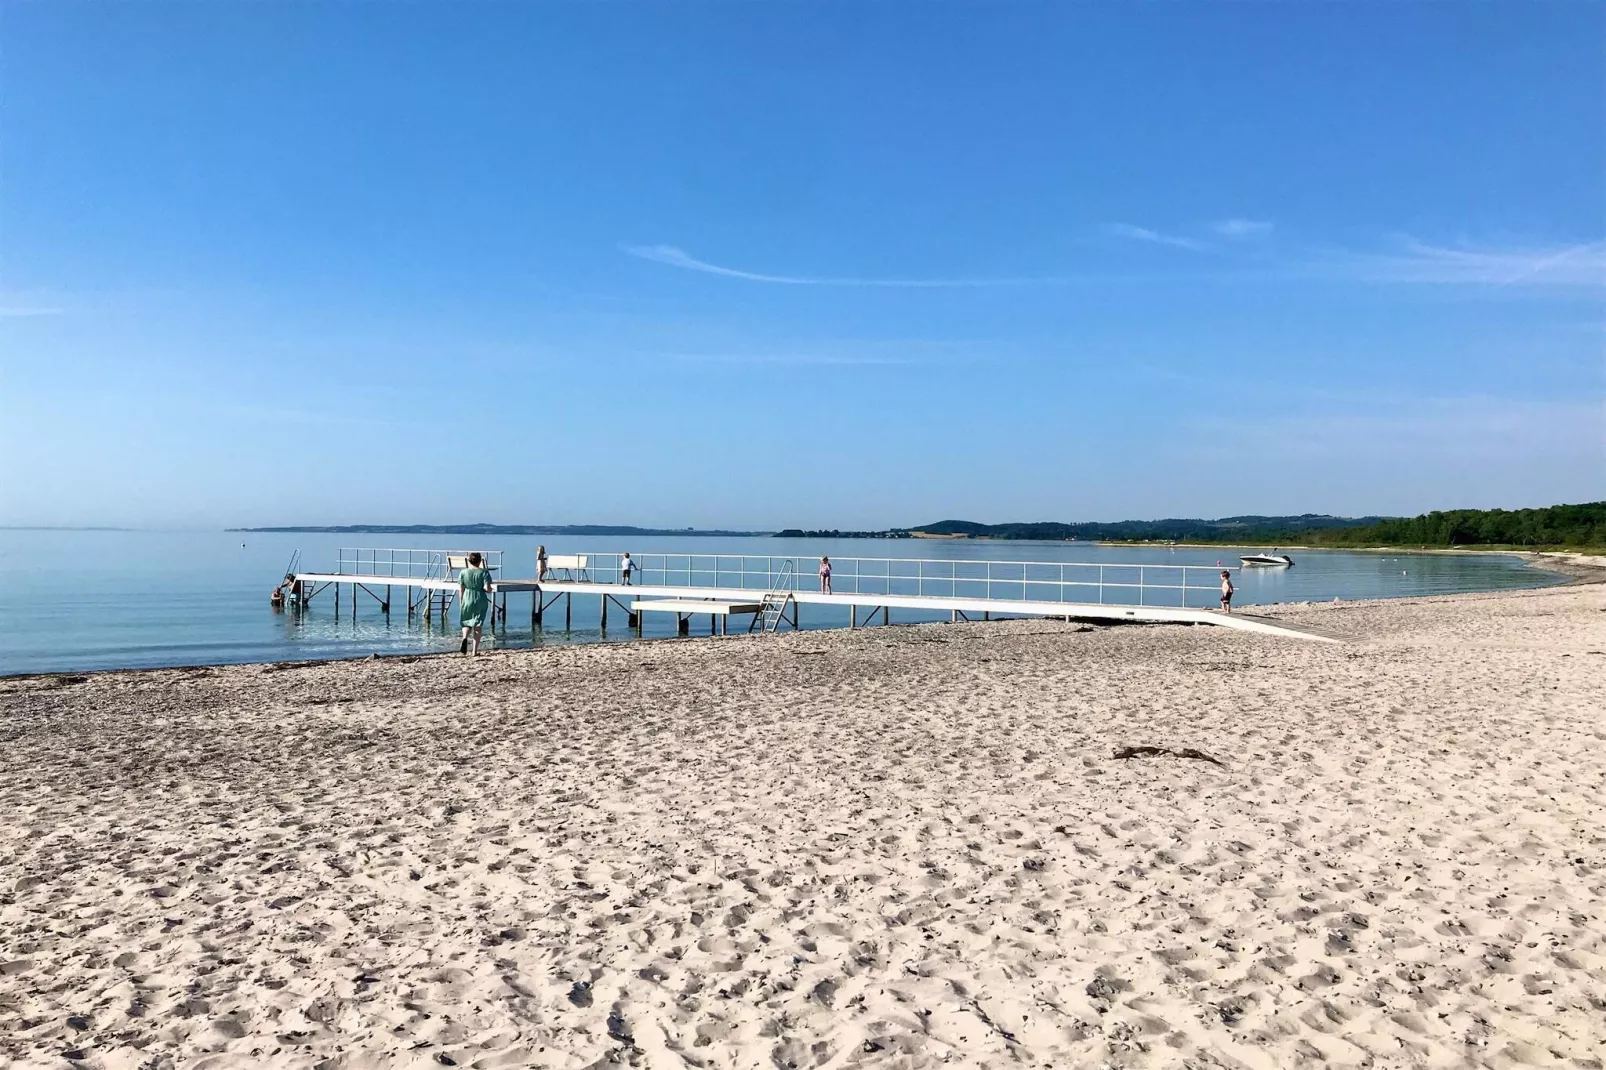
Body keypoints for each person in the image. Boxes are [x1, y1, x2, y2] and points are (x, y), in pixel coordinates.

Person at [457, 552, 494, 654]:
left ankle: (465, 638)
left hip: (467, 598)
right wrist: (490, 590)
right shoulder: (484, 572)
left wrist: (461, 601)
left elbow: (461, 589)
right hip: (480, 598)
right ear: (480, 561)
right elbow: (487, 588)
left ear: (469, 561)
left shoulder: (463, 573)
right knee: (478, 625)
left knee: (466, 621)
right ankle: (474, 651)